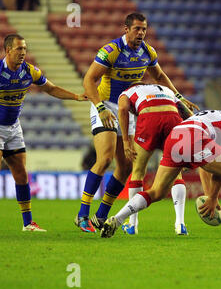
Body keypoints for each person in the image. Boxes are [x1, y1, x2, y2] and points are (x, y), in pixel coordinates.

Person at [75, 12, 198, 233]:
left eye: (144, 29)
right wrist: (101, 108)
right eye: (137, 29)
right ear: (126, 29)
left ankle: (101, 215)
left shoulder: (147, 52)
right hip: (105, 104)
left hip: (129, 108)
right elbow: (88, 79)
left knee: (126, 166)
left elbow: (160, 77)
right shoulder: (111, 51)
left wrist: (178, 97)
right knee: (104, 158)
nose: (141, 32)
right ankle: (83, 214)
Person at [100, 100, 221, 239]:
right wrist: (212, 197)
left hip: (175, 136)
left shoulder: (220, 116)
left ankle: (117, 219)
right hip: (194, 135)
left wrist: (211, 195)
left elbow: (214, 166)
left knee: (157, 192)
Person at [0, 34, 87, 231]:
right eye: (19, 49)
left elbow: (51, 88)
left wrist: (76, 96)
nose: (23, 52)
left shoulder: (29, 71)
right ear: (7, 50)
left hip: (13, 127)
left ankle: (28, 223)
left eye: (24, 49)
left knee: (21, 174)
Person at [117, 82, 193, 235]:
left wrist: (125, 141)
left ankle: (133, 225)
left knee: (138, 171)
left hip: (149, 118)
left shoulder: (127, 92)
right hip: (173, 119)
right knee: (176, 172)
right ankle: (180, 224)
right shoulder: (166, 89)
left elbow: (123, 108)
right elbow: (186, 112)